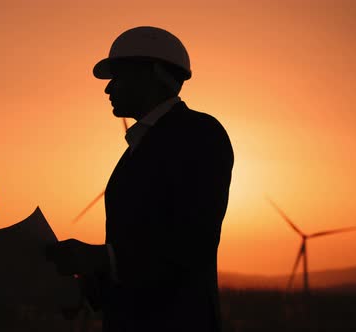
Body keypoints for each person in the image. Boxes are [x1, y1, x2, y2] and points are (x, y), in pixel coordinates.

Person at [47, 26, 234, 332]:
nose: (109, 89)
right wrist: (86, 291)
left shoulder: (200, 134)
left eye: (118, 76)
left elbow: (191, 242)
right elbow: (140, 244)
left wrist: (100, 257)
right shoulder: (137, 150)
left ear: (153, 74)